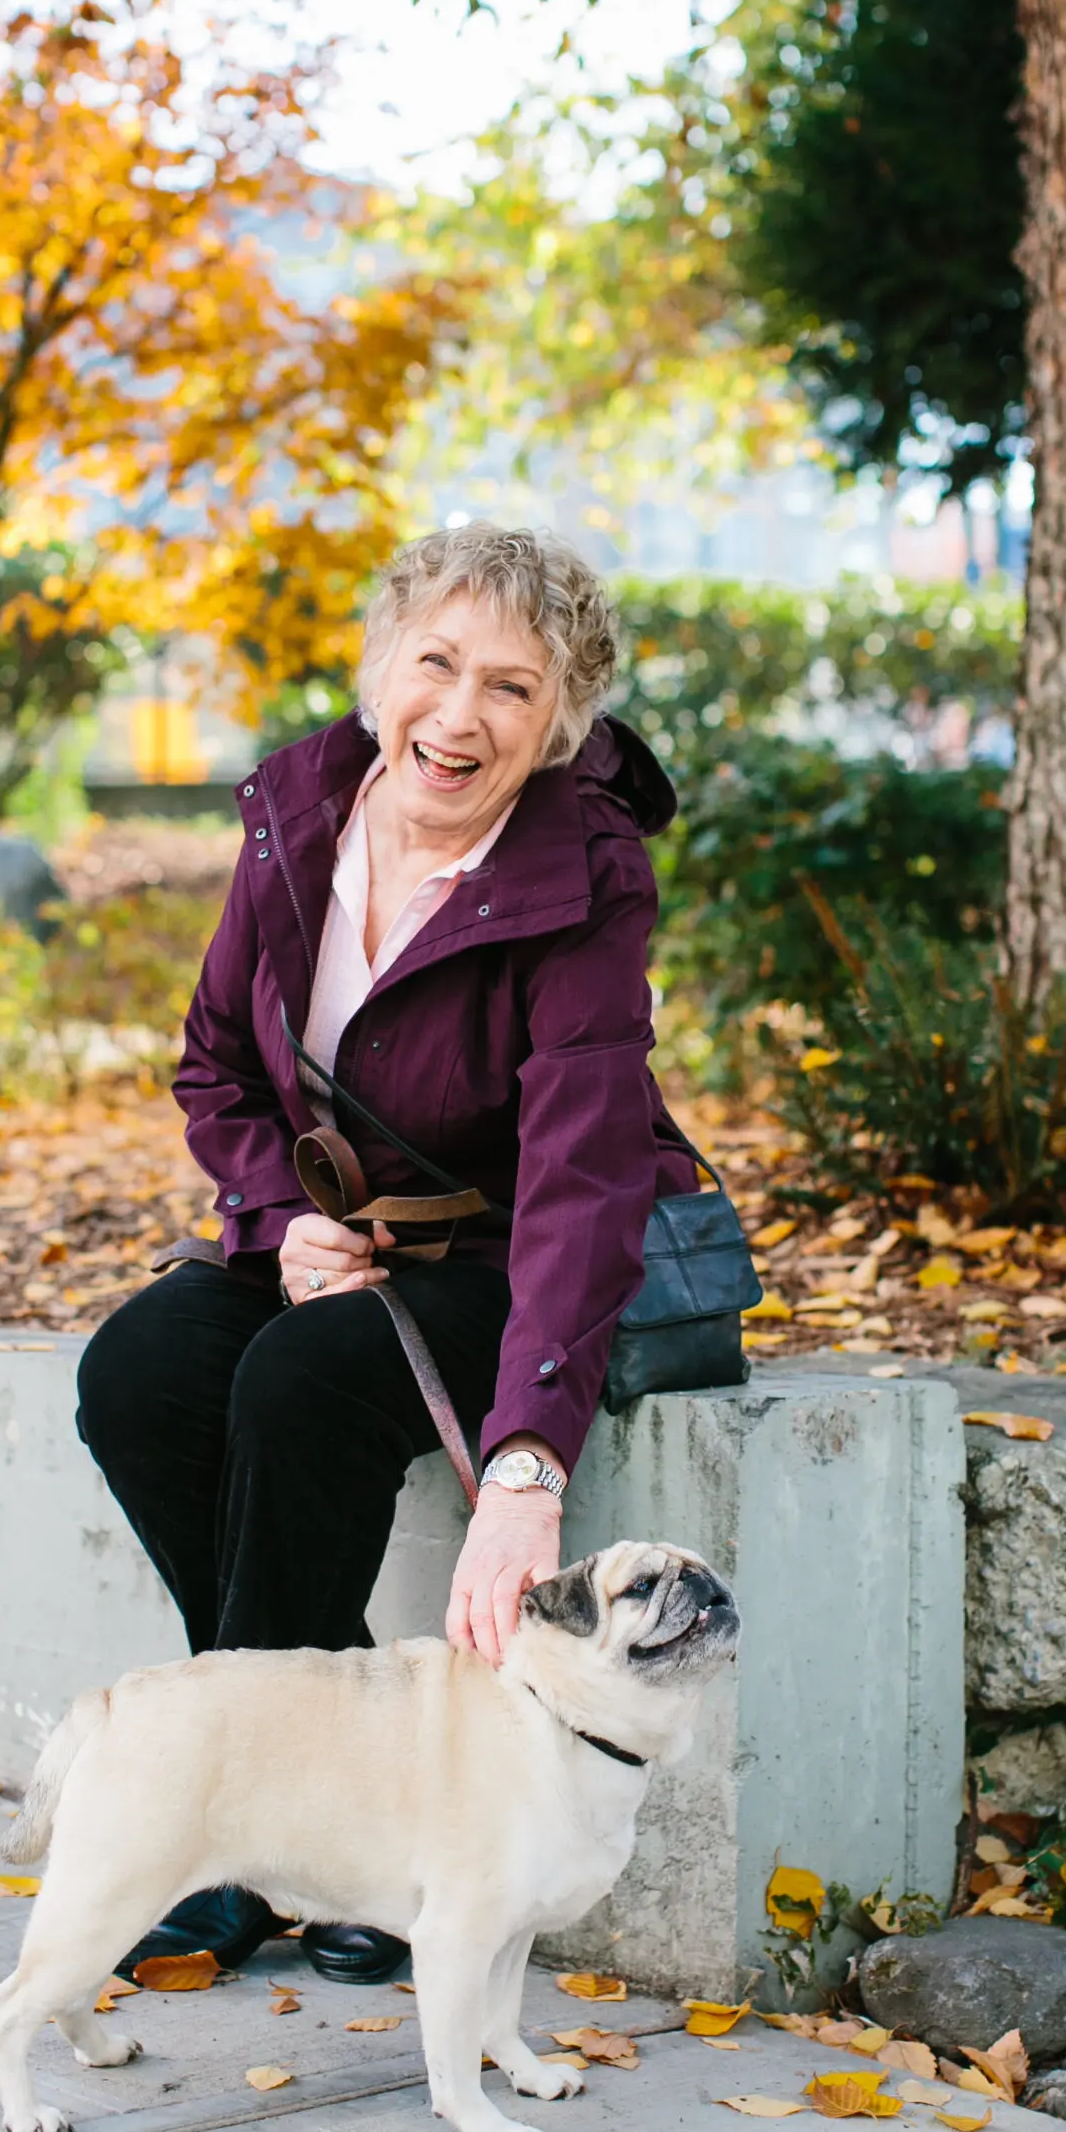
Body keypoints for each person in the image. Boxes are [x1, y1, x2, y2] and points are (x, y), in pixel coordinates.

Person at [76, 520, 695, 1983]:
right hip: (334, 1242)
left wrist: (529, 1463)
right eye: (436, 664)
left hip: (513, 1249)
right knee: (142, 1371)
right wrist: (277, 1220)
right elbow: (216, 1069)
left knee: (305, 1384)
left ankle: (242, 1838)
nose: (461, 715)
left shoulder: (584, 872)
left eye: (513, 688)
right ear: (379, 668)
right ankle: (354, 1803)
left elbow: (584, 1171)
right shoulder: (298, 814)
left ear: (560, 725)